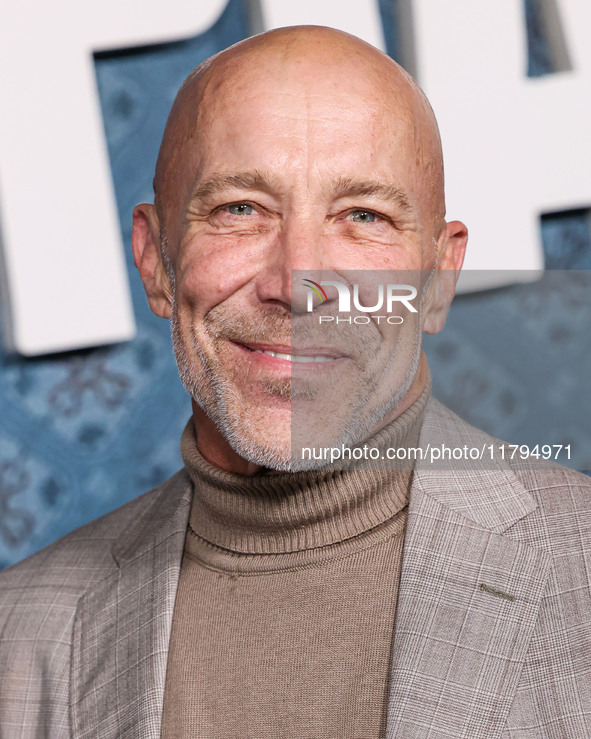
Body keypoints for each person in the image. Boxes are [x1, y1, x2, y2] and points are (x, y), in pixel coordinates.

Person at [0, 25, 589, 739]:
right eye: (240, 209)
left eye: (362, 217)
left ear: (438, 280)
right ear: (156, 259)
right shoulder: (19, 634)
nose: (296, 285)